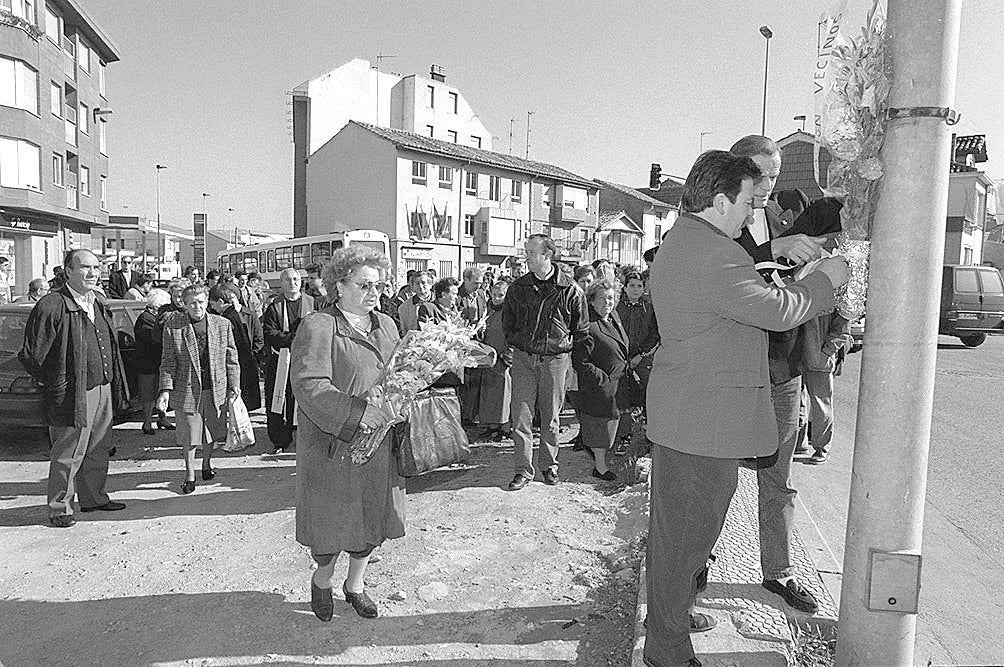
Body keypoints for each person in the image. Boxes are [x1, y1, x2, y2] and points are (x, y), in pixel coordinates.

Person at [642, 151, 848, 667]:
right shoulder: (714, 253)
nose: (751, 213)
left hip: (690, 415)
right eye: (746, 202)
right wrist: (827, 279)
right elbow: (780, 312)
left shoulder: (688, 241)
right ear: (719, 200)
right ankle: (666, 652)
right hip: (702, 424)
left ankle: (667, 637)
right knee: (684, 547)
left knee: (677, 543)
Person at [730, 135, 831, 615]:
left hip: (784, 371)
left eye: (773, 175)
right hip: (733, 373)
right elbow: (724, 277)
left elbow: (823, 226)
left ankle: (778, 572)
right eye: (760, 174)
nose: (768, 185)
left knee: (778, 479)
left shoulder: (781, 216)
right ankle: (699, 562)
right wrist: (774, 248)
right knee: (718, 476)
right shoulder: (715, 222)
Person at [289, 246, 404, 622]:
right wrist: (359, 412)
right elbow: (309, 386)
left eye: (379, 286)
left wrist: (403, 400)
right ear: (339, 286)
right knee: (330, 525)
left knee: (369, 521)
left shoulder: (386, 325)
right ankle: (322, 580)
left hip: (378, 444)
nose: (374, 294)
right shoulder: (318, 326)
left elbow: (399, 376)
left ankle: (355, 585)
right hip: (332, 445)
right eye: (364, 285)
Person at [19, 249, 130, 528]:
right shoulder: (52, 305)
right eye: (85, 267)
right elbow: (32, 355)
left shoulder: (98, 302)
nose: (92, 273)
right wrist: (57, 383)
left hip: (101, 388)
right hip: (73, 392)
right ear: (68, 271)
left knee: (98, 446)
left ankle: (93, 498)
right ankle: (60, 508)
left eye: (96, 267)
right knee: (68, 451)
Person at [502, 233, 588, 491]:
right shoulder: (518, 288)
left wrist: (563, 350)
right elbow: (508, 323)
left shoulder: (570, 289)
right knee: (520, 417)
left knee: (551, 417)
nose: (525, 257)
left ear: (546, 255)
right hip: (524, 360)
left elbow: (581, 329)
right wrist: (522, 343)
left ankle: (549, 466)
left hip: (555, 361)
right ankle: (522, 470)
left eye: (530, 252)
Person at [157, 284, 240, 494]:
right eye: (192, 303)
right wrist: (165, 390)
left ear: (207, 302)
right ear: (184, 304)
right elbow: (167, 361)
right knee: (189, 434)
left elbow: (232, 358)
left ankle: (206, 465)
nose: (197, 307)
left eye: (201, 302)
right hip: (186, 389)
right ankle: (189, 474)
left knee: (211, 431)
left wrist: (234, 385)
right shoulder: (173, 326)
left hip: (215, 388)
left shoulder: (223, 324)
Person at [572, 278, 629, 482]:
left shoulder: (614, 317)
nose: (608, 302)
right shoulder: (589, 325)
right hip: (600, 384)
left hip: (617, 382)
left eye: (611, 298)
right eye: (603, 298)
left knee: (611, 423)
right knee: (598, 425)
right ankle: (600, 466)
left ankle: (602, 461)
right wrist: (601, 380)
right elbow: (581, 360)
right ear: (592, 301)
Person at [263, 268, 314, 454]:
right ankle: (279, 439)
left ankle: (303, 435)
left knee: (303, 398)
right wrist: (295, 338)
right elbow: (270, 333)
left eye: (295, 279)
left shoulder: (312, 303)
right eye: (287, 280)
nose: (292, 283)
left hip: (306, 361)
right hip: (280, 360)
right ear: (281, 283)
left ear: (300, 282)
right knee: (278, 400)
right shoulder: (274, 307)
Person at [615, 268, 660, 448]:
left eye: (639, 286)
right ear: (625, 288)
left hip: (643, 358)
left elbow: (654, 334)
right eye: (631, 285)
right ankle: (624, 435)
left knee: (649, 392)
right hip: (620, 358)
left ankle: (650, 432)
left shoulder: (649, 307)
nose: (635, 289)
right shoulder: (617, 307)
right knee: (623, 396)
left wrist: (640, 355)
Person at [209, 283, 263, 413]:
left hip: (239, 360)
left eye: (212, 304)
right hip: (244, 359)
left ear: (220, 301)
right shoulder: (232, 315)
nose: (212, 307)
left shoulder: (226, 317)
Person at [134, 288, 176, 434]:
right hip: (147, 364)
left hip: (157, 362)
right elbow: (153, 339)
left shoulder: (154, 318)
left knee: (160, 393)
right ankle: (147, 423)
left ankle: (162, 419)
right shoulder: (146, 319)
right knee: (148, 396)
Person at [479, 277, 513, 440]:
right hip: (489, 355)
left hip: (503, 357)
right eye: (493, 294)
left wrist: (507, 355)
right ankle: (491, 424)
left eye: (500, 295)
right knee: (489, 392)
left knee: (504, 392)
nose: (496, 298)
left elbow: (514, 335)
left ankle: (505, 426)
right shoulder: (488, 309)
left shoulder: (510, 311)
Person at [457, 267, 488, 426]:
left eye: (481, 283)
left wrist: (482, 326)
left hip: (478, 339)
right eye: (475, 283)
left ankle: (471, 413)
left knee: (476, 379)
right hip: (462, 341)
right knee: (464, 380)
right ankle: (462, 415)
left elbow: (484, 312)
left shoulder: (481, 295)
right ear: (466, 280)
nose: (479, 286)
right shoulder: (457, 295)